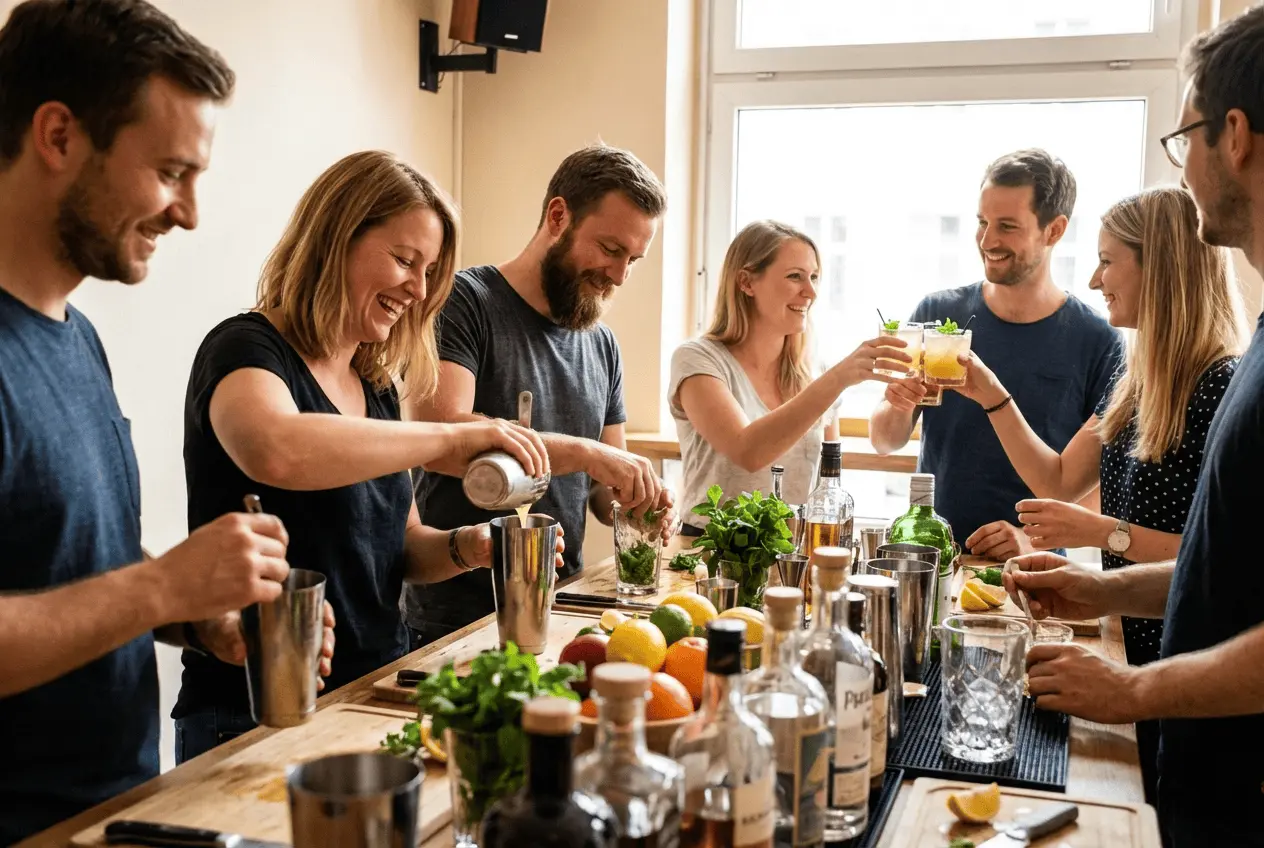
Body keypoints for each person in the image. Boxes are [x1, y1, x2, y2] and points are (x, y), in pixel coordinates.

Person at [0, 1, 323, 841]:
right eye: (172, 171)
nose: (189, 213)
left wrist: (198, 617)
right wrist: (162, 586)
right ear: (59, 135)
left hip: (113, 812)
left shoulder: (78, 337)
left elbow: (66, 561)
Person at [174, 151, 561, 762]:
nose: (420, 288)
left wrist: (469, 546)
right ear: (334, 240)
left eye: (430, 270)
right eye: (405, 261)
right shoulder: (246, 349)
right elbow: (277, 448)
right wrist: (454, 437)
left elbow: (400, 546)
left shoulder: (375, 382)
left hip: (370, 692)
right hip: (250, 715)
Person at [1005, 7, 1264, 845]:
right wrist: (1101, 586)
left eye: (1183, 135)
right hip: (1197, 774)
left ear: (1234, 135)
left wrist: (1134, 692)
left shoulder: (1225, 372)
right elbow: (1223, 568)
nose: (1182, 168)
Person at [955, 186, 1248, 804]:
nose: (1093, 279)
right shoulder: (1136, 374)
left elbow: (1216, 557)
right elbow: (1059, 479)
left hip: (1192, 670)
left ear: (1161, 267)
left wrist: (1100, 534)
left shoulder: (1222, 383)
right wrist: (989, 393)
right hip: (1137, 645)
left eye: (1109, 261)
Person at [405, 143, 674, 648]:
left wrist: (636, 501)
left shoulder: (602, 343)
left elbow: (600, 490)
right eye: (611, 250)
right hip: (454, 616)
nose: (619, 275)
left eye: (633, 260)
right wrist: (589, 452)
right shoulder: (464, 301)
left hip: (561, 605)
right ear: (557, 216)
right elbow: (438, 438)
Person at [869, 148, 1125, 557]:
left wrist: (1033, 539)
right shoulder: (938, 316)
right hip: (933, 558)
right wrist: (897, 406)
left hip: (1033, 571)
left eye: (1007, 226)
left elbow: (1098, 484)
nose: (988, 241)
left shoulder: (1099, 341)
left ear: (1054, 230)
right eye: (982, 222)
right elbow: (884, 440)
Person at [670, 220, 909, 523]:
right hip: (708, 556)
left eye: (814, 277)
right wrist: (838, 378)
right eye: (795, 277)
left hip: (792, 557)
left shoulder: (813, 371)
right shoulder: (697, 360)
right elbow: (748, 452)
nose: (811, 292)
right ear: (746, 283)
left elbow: (828, 481)